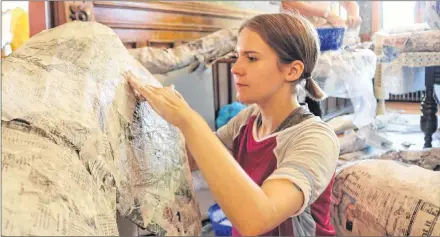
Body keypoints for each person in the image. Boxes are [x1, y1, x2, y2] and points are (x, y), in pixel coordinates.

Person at [123, 12, 339, 236]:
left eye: (252, 58)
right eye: (237, 56)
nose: (236, 68)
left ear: (292, 70)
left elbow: (256, 219)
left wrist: (189, 120)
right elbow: (190, 158)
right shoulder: (249, 120)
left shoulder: (316, 138)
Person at [280, 1, 362, 29]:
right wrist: (326, 14)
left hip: (324, 37)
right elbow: (288, 3)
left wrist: (354, 16)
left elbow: (350, 2)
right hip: (297, 34)